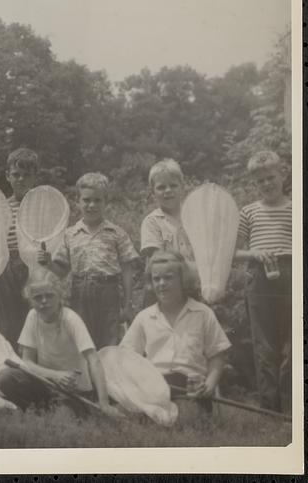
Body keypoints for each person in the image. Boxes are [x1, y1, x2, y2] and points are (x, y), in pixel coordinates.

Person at [0, 271, 121, 417]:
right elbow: (27, 362)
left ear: (60, 295)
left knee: (63, 417)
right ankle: (38, 411)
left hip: (74, 391)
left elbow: (94, 360)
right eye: (37, 297)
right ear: (30, 299)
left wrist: (104, 402)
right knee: (5, 378)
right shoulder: (32, 316)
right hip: (45, 384)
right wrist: (56, 376)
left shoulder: (71, 319)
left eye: (49, 295)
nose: (44, 301)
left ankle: (54, 411)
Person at [121, 250, 230, 415]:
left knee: (186, 416)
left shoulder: (202, 313)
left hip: (190, 388)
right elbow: (127, 357)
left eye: (168, 277)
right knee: (126, 414)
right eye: (156, 279)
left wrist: (209, 386)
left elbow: (217, 356)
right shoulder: (144, 317)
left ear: (183, 279)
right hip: (154, 387)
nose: (161, 283)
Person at [46, 172, 140, 348]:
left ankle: (108, 373)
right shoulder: (70, 234)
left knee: (109, 340)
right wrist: (48, 263)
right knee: (82, 341)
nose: (92, 205)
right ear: (78, 201)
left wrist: (128, 304)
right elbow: (61, 270)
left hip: (108, 292)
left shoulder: (116, 233)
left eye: (98, 200)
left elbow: (127, 271)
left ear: (106, 202)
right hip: (80, 293)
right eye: (87, 200)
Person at [233, 151, 292, 413]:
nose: (267, 184)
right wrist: (254, 253)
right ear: (254, 185)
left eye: (270, 177)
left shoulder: (295, 207)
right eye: (260, 181)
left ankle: (293, 406)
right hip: (259, 276)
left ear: (283, 174)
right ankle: (270, 409)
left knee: (292, 341)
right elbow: (232, 251)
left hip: (291, 271)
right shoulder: (248, 212)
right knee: (265, 344)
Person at [140, 159, 200, 300]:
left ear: (182, 187)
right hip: (162, 290)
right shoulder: (152, 222)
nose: (168, 191)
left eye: (173, 185)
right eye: (161, 187)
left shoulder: (195, 219)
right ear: (153, 193)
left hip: (192, 289)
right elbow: (158, 261)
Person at [0, 147, 37, 347]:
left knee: (34, 316)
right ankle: (12, 363)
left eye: (26, 175)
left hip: (33, 266)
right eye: (16, 175)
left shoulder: (42, 204)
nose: (21, 180)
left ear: (34, 177)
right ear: (8, 177)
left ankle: (36, 364)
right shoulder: (2, 206)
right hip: (7, 266)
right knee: (9, 321)